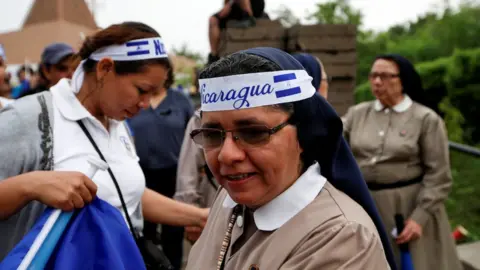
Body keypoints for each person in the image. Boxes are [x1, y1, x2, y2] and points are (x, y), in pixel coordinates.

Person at [0, 21, 208, 262]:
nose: (145, 104)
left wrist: (200, 217)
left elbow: (128, 193)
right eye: (142, 90)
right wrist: (31, 185)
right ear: (105, 69)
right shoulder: (29, 118)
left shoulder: (119, 123)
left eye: (153, 94)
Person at [185, 47, 396, 269]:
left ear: (304, 134)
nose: (227, 155)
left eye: (254, 133)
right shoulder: (231, 195)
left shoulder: (343, 240)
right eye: (211, 135)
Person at [342, 54, 462, 270]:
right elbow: (331, 141)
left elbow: (439, 175)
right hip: (366, 204)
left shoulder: (425, 119)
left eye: (385, 76)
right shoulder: (357, 114)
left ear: (402, 80)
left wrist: (420, 217)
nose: (377, 82)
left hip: (409, 208)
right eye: (373, 76)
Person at [127, 63, 194, 270]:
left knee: (173, 231)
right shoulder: (135, 101)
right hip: (141, 175)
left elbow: (193, 135)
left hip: (173, 174)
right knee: (143, 230)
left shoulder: (180, 101)